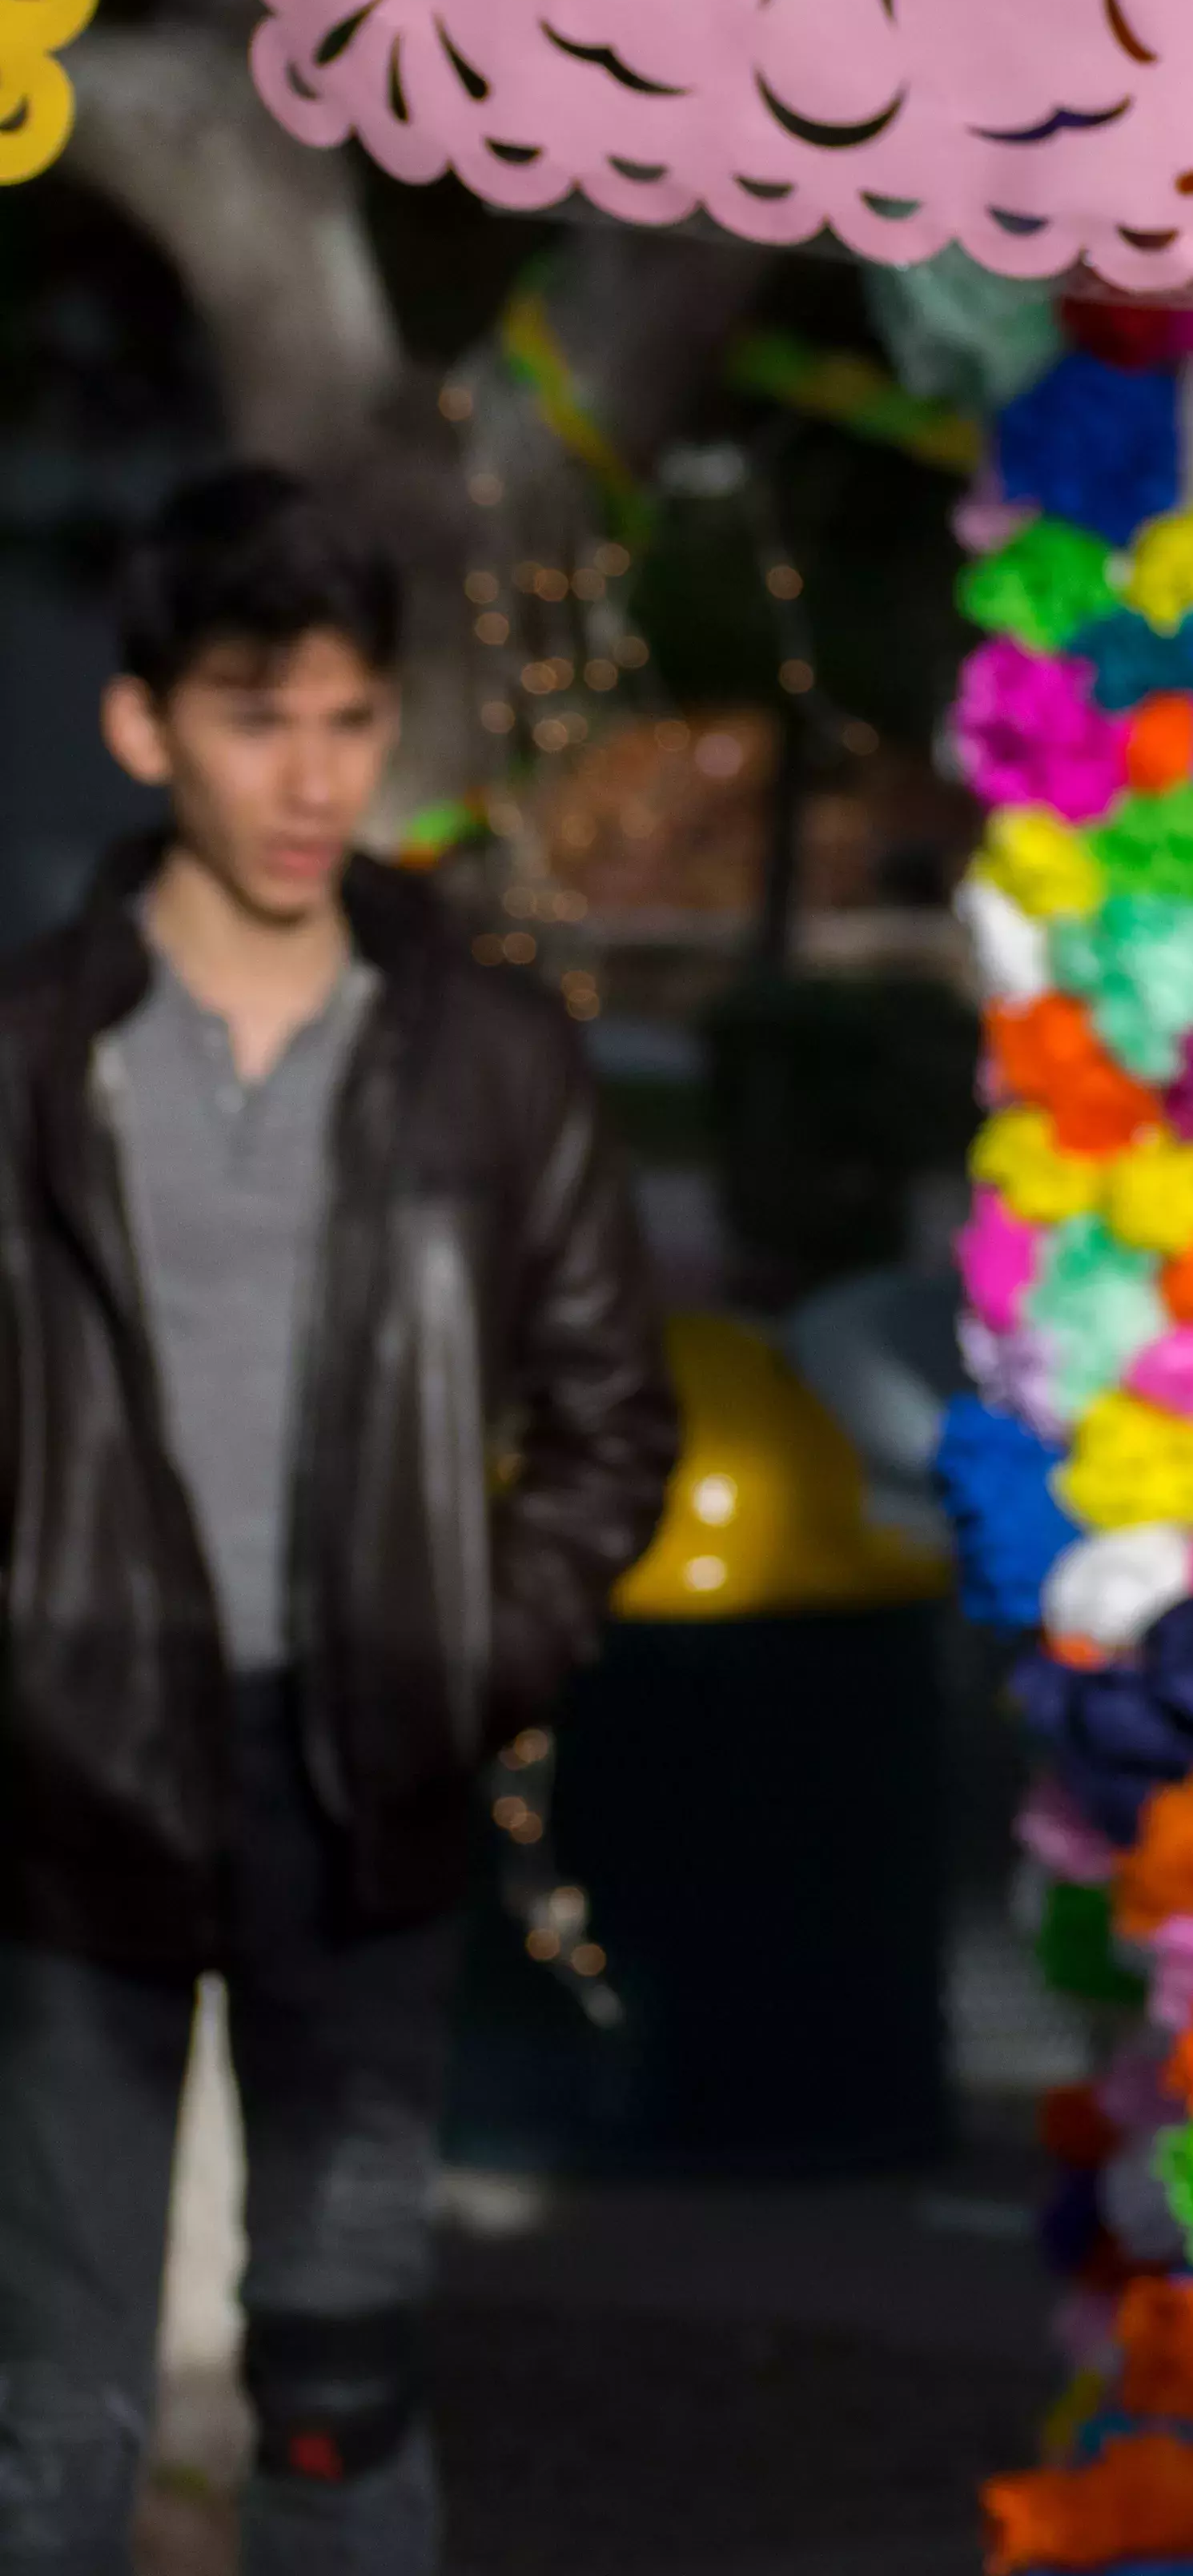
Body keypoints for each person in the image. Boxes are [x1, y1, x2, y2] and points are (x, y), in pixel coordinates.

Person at [0, 469, 676, 2576]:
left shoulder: (479, 1050)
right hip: (60, 1771)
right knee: (50, 2396)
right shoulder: (30, 1056)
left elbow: (608, 1412)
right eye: (253, 717)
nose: (314, 781)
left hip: (370, 1768)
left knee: (344, 2382)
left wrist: (476, 1654)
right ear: (145, 729)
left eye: (352, 721)